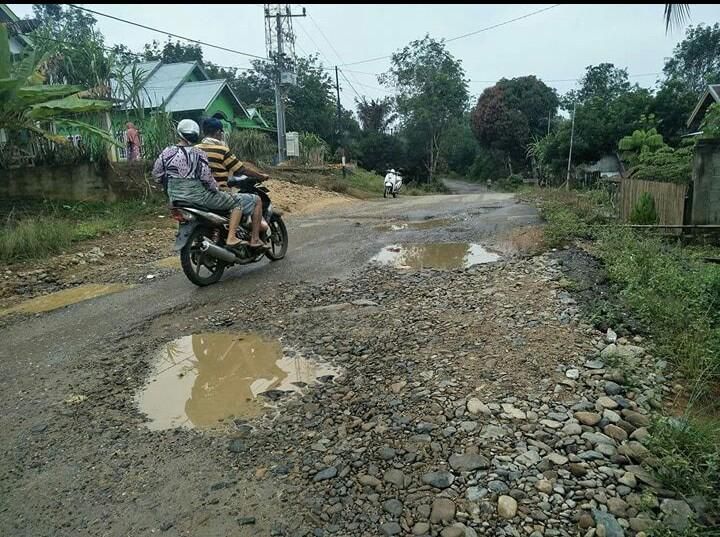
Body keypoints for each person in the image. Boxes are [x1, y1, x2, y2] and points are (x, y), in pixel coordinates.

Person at [152, 119, 266, 250]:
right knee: (238, 202)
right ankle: (232, 238)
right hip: (199, 198)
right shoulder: (198, 153)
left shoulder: (167, 152)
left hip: (176, 199)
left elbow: (157, 175)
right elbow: (207, 178)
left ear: (179, 132)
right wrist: (215, 189)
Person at [197, 117, 269, 234]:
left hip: (199, 194)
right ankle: (254, 239)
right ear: (217, 133)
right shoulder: (222, 150)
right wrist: (260, 176)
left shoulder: (194, 150)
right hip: (218, 194)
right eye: (221, 132)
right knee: (256, 200)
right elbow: (241, 169)